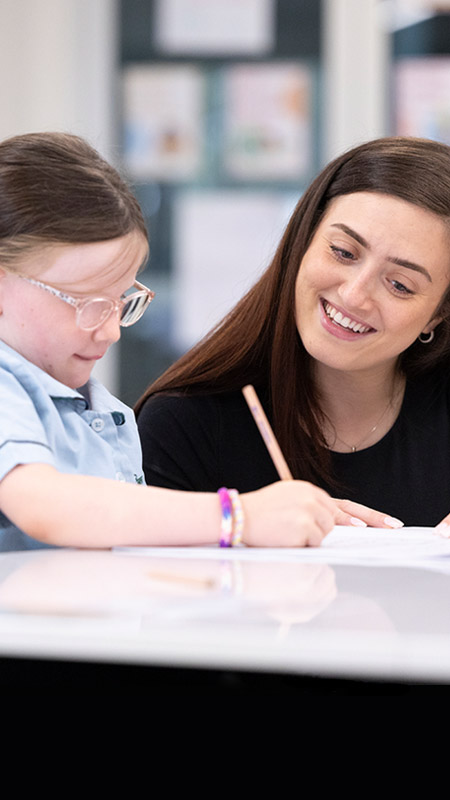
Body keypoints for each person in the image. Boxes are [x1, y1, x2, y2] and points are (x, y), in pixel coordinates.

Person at [0, 130, 357, 552]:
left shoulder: (95, 406)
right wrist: (239, 516)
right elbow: (45, 506)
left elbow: (122, 530)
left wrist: (295, 512)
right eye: (87, 303)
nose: (112, 331)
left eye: (121, 301)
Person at [136, 135, 450, 530]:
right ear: (302, 241)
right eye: (343, 252)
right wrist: (244, 529)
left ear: (437, 315)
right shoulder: (185, 424)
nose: (354, 295)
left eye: (400, 285)